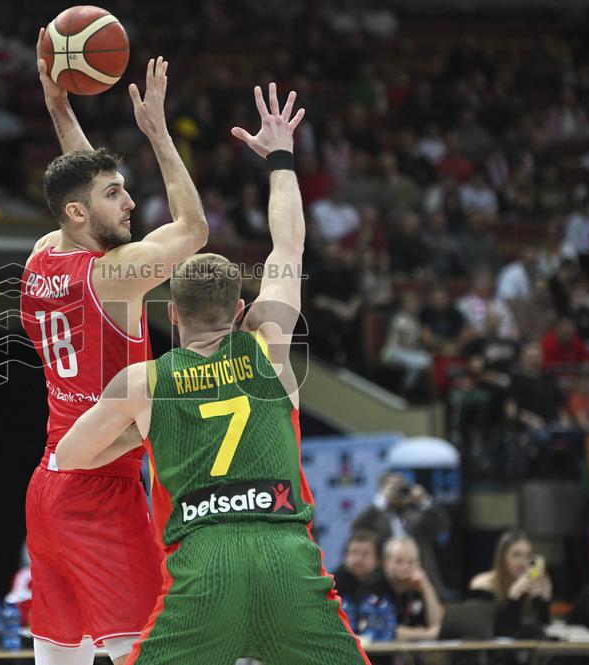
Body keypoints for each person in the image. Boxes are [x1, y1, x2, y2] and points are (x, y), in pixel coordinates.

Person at [55, 83, 370, 665]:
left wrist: (141, 433)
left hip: (203, 566)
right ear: (242, 311)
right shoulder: (271, 346)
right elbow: (289, 246)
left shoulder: (142, 384)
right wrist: (280, 158)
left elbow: (70, 457)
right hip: (285, 557)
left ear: (172, 316)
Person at [20, 34, 209, 665]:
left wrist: (60, 110)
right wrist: (157, 133)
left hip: (49, 484)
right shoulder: (115, 275)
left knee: (60, 659)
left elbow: (80, 191)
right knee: (150, 653)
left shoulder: (44, 252)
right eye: (117, 195)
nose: (131, 203)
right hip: (101, 489)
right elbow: (194, 230)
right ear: (80, 211)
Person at [351, 472, 451, 599]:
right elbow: (356, 528)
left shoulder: (418, 514)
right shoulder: (376, 517)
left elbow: (443, 526)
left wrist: (425, 500)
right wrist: (381, 500)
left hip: (421, 576)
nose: (398, 493)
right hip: (385, 581)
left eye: (402, 488)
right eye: (394, 489)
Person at [468, 530, 552, 637]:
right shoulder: (483, 584)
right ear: (502, 558)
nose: (523, 562)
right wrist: (513, 596)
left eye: (528, 556)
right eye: (516, 555)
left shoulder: (529, 584)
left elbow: (542, 626)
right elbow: (498, 632)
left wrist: (544, 599)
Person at [380, 537, 444, 641]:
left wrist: (426, 588)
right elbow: (384, 631)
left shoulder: (420, 585)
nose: (405, 567)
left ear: (419, 564)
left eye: (411, 562)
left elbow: (437, 626)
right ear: (386, 563)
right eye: (399, 561)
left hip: (414, 654)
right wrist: (427, 634)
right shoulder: (375, 585)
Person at [332, 531, 386, 607]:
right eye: (354, 552)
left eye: (365, 554)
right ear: (345, 556)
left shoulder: (387, 584)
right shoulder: (331, 585)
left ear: (378, 560)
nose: (359, 559)